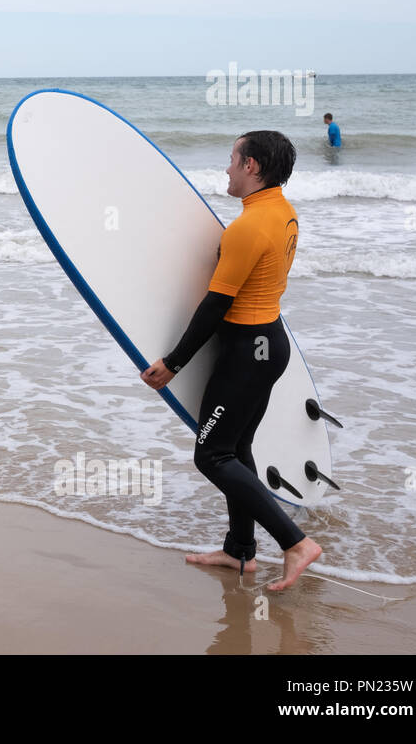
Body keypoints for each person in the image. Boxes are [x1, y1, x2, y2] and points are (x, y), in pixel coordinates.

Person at [140, 131, 322, 592]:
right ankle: (241, 552)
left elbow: (215, 305)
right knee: (237, 450)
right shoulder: (283, 213)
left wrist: (174, 363)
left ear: (252, 166)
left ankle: (295, 543)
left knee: (211, 455)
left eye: (232, 158)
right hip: (269, 344)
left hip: (247, 353)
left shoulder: (247, 227)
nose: (226, 167)